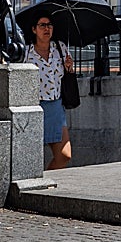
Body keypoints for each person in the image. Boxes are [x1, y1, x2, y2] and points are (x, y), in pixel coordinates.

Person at [25, 15, 74, 170]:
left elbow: (65, 75)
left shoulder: (60, 48)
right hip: (34, 107)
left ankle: (48, 179)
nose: (47, 28)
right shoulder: (25, 52)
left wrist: (68, 68)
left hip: (55, 106)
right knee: (30, 158)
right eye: (42, 25)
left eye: (50, 25)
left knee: (65, 155)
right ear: (34, 29)